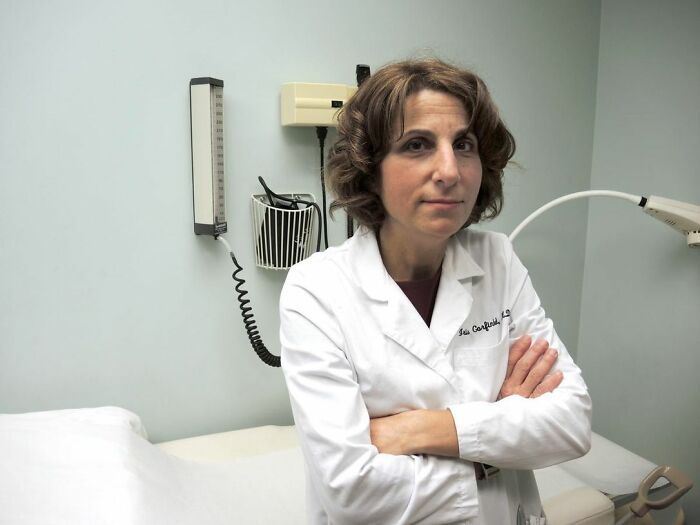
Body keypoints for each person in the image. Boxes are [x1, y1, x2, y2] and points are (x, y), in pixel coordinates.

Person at [279, 57, 592, 524]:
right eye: (417, 145)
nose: (449, 171)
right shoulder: (316, 291)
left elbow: (572, 424)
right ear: (370, 169)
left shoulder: (498, 259)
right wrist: (495, 443)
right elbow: (352, 489)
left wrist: (418, 430)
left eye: (463, 144)